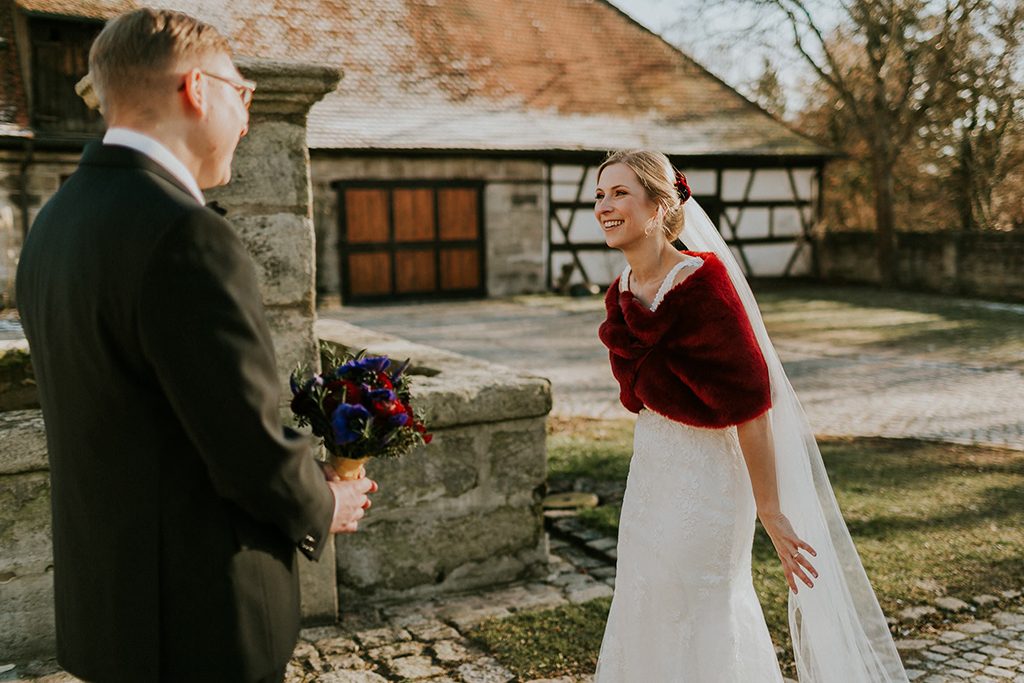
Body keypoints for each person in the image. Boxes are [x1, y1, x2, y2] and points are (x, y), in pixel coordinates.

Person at [15, 8, 375, 683]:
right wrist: (324, 501)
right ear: (197, 89)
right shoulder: (186, 235)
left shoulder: (54, 222)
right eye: (243, 95)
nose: (245, 118)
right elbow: (246, 440)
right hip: (197, 621)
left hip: (109, 614)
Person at [592, 150, 908, 681]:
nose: (604, 206)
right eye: (599, 195)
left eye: (620, 192)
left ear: (658, 205)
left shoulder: (703, 284)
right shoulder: (620, 293)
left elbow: (752, 406)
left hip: (710, 478)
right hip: (651, 473)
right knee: (646, 594)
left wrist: (770, 508)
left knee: (701, 602)